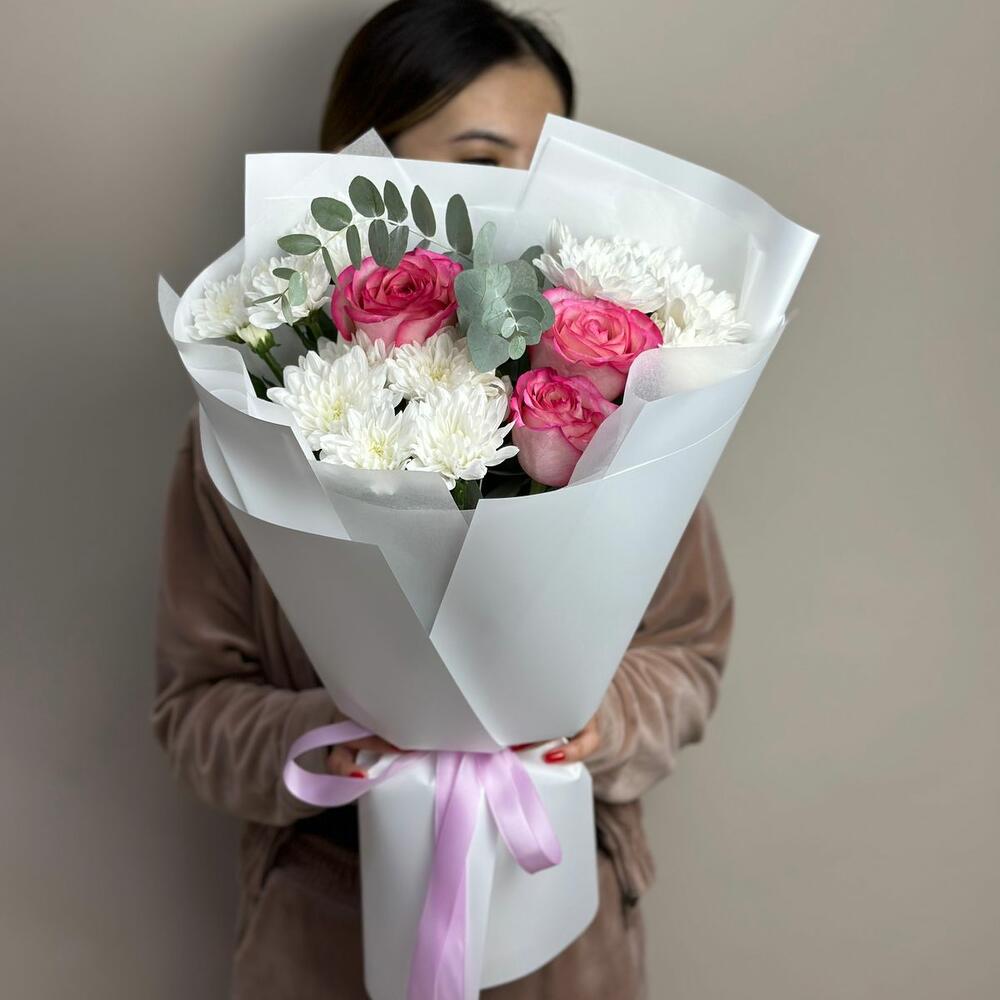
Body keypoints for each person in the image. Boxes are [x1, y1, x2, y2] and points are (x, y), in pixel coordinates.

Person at [153, 2, 733, 998]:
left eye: (543, 173)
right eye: (479, 165)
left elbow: (687, 655)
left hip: (565, 926)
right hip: (327, 929)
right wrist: (342, 738)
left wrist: (595, 721)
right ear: (360, 166)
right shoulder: (246, 431)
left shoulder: (623, 413)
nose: (519, 208)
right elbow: (194, 712)